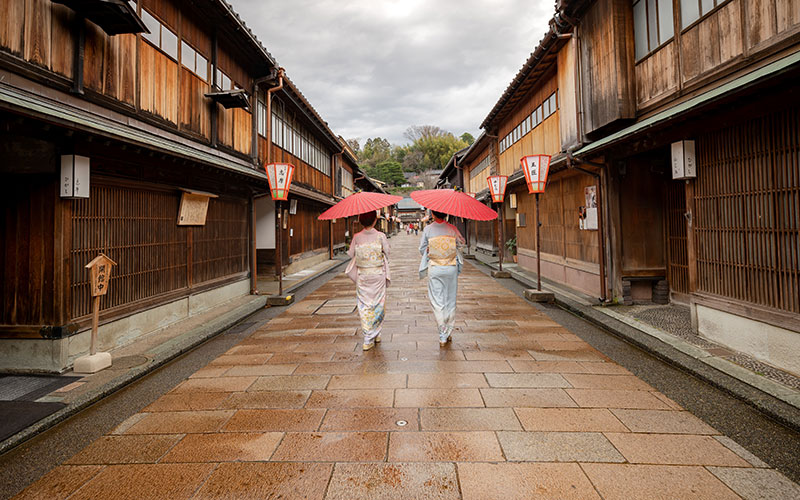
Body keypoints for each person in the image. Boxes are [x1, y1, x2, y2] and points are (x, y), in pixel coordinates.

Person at [419, 210, 465, 346]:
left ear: (433, 214)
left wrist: (430, 249)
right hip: (450, 266)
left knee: (437, 301)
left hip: (435, 267)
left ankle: (442, 334)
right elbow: (461, 244)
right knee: (450, 299)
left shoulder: (428, 229)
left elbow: (421, 249)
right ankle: (449, 331)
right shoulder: (452, 228)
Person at [345, 211, 391, 350]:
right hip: (377, 274)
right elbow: (387, 253)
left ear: (360, 221)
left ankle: (368, 336)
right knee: (378, 303)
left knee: (364, 305)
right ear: (375, 220)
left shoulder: (357, 237)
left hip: (363, 275)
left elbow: (351, 253)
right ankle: (374, 334)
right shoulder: (381, 236)